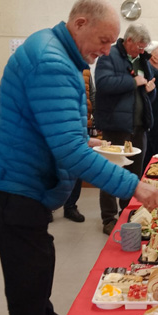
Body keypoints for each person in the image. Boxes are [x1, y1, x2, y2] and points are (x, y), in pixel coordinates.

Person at [0, 0, 158, 315]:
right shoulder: (52, 63)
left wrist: (86, 141)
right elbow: (68, 152)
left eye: (113, 42)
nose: (107, 50)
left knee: (37, 264)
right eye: (104, 40)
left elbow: (52, 127)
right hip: (17, 182)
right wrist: (137, 188)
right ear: (79, 23)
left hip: (22, 177)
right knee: (28, 277)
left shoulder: (53, 47)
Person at [94, 23, 157, 235]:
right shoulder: (109, 55)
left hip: (139, 127)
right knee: (111, 173)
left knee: (134, 174)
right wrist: (133, 82)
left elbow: (145, 94)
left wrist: (149, 89)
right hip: (116, 127)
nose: (142, 51)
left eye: (144, 47)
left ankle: (127, 213)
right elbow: (103, 83)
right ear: (128, 40)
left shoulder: (141, 60)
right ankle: (109, 218)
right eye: (139, 46)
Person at [63, 67, 96, 222]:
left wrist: (97, 118)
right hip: (60, 125)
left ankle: (70, 206)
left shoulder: (86, 70)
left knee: (78, 165)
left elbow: (93, 95)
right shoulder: (58, 65)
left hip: (83, 124)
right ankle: (47, 207)